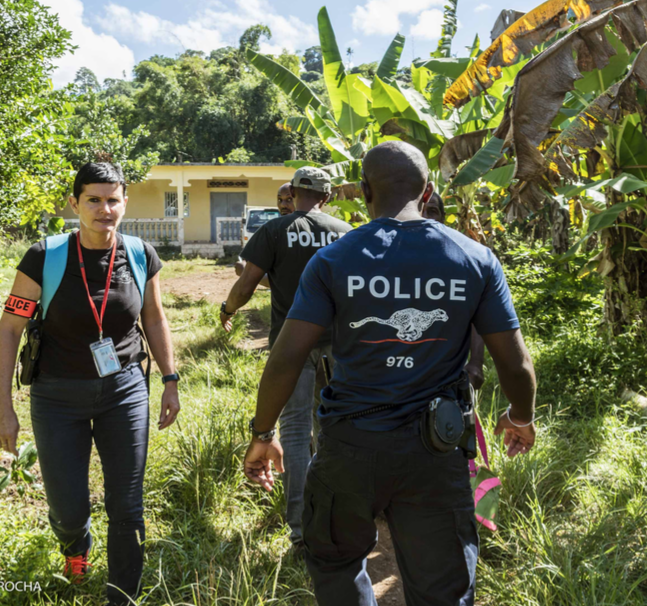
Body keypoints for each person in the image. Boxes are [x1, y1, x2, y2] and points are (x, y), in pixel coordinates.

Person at [243, 141, 537, 606]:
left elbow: (286, 357)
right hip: (436, 452)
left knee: (338, 566)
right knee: (442, 587)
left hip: (350, 447)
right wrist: (520, 415)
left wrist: (263, 432)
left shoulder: (335, 260)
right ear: (428, 191)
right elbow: (515, 362)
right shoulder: (475, 259)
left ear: (363, 192)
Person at [0, 163, 181, 606]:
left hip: (125, 391)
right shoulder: (45, 256)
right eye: (93, 200)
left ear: (124, 204)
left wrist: (170, 379)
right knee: (69, 507)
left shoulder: (140, 254)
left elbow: (153, 316)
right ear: (75, 204)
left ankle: (123, 596)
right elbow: (9, 330)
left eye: (113, 200)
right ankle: (76, 546)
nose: (104, 209)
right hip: (57, 395)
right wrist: (3, 406)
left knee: (127, 503)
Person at [221, 166, 352, 547]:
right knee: (334, 429)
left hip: (290, 346)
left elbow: (246, 284)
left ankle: (300, 529)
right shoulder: (345, 234)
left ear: (293, 194)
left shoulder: (274, 231)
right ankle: (340, 516)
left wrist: (228, 310)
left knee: (294, 433)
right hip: (339, 346)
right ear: (326, 197)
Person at [422, 187, 486, 390]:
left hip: (450, 372)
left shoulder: (463, 259)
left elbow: (478, 312)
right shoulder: (386, 257)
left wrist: (476, 362)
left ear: (442, 217)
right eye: (420, 210)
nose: (425, 217)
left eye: (432, 211)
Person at [235, 183, 295, 280]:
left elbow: (288, 282)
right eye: (279, 200)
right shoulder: (271, 231)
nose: (283, 205)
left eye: (289, 199)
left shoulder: (308, 230)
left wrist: (244, 272)